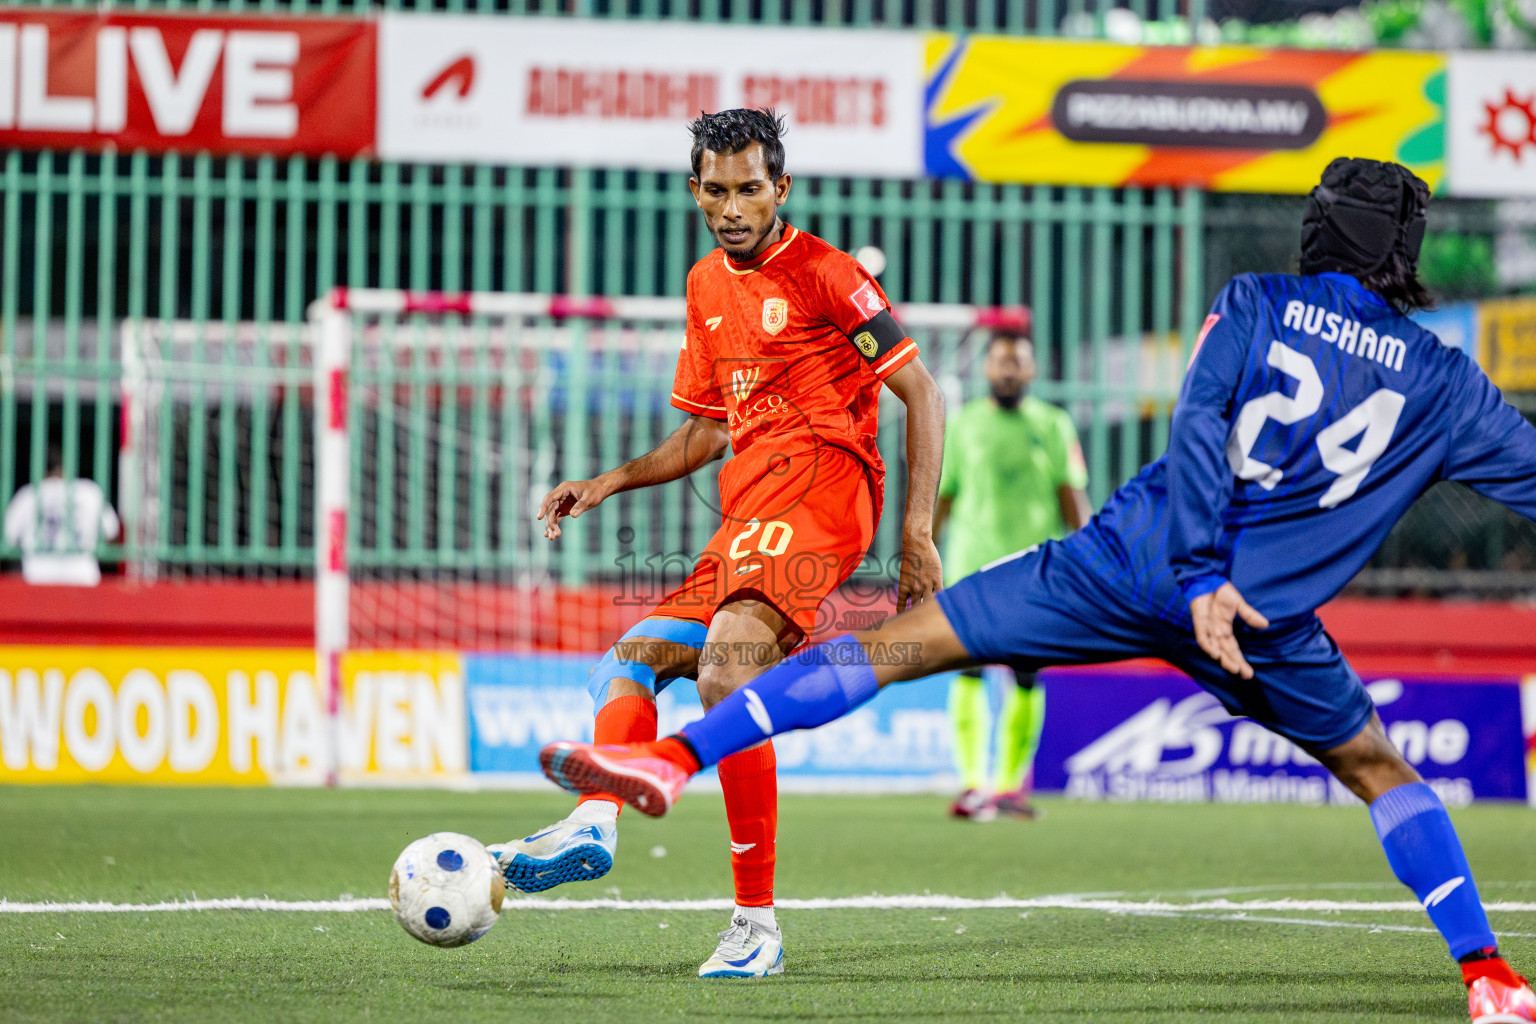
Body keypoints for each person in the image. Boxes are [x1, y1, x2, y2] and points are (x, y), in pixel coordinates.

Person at [535, 157, 1536, 1021]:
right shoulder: (1446, 381)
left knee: (897, 647)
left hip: (1128, 561)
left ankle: (672, 759)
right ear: (1399, 254)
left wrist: (1190, 572)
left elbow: (1196, 431)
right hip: (1258, 619)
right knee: (1379, 770)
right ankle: (1487, 972)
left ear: (1320, 231)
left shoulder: (1253, 299)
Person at [492, 109, 946, 980]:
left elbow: (921, 393)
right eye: (716, 190)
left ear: (781, 188)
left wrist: (916, 534)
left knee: (725, 670)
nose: (733, 206)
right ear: (693, 190)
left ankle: (756, 927)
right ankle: (595, 818)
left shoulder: (829, 275)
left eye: (750, 189)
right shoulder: (706, 285)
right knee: (628, 661)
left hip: (824, 487)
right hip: (746, 507)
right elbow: (704, 436)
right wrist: (609, 481)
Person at [935, 331, 1090, 820]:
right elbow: (946, 493)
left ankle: (1008, 788)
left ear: (1031, 370)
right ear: (988, 369)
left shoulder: (1053, 423)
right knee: (967, 669)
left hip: (1033, 571)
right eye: (1001, 361)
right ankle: (973, 786)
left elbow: (1072, 495)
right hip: (971, 568)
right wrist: (921, 548)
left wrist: (1087, 558)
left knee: (1027, 674)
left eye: (1017, 362)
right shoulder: (963, 424)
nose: (1008, 370)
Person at [3, 448, 120, 586]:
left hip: (38, 580)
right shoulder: (89, 491)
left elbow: (7, 542)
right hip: (83, 579)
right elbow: (112, 533)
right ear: (65, 465)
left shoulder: (27, 496)